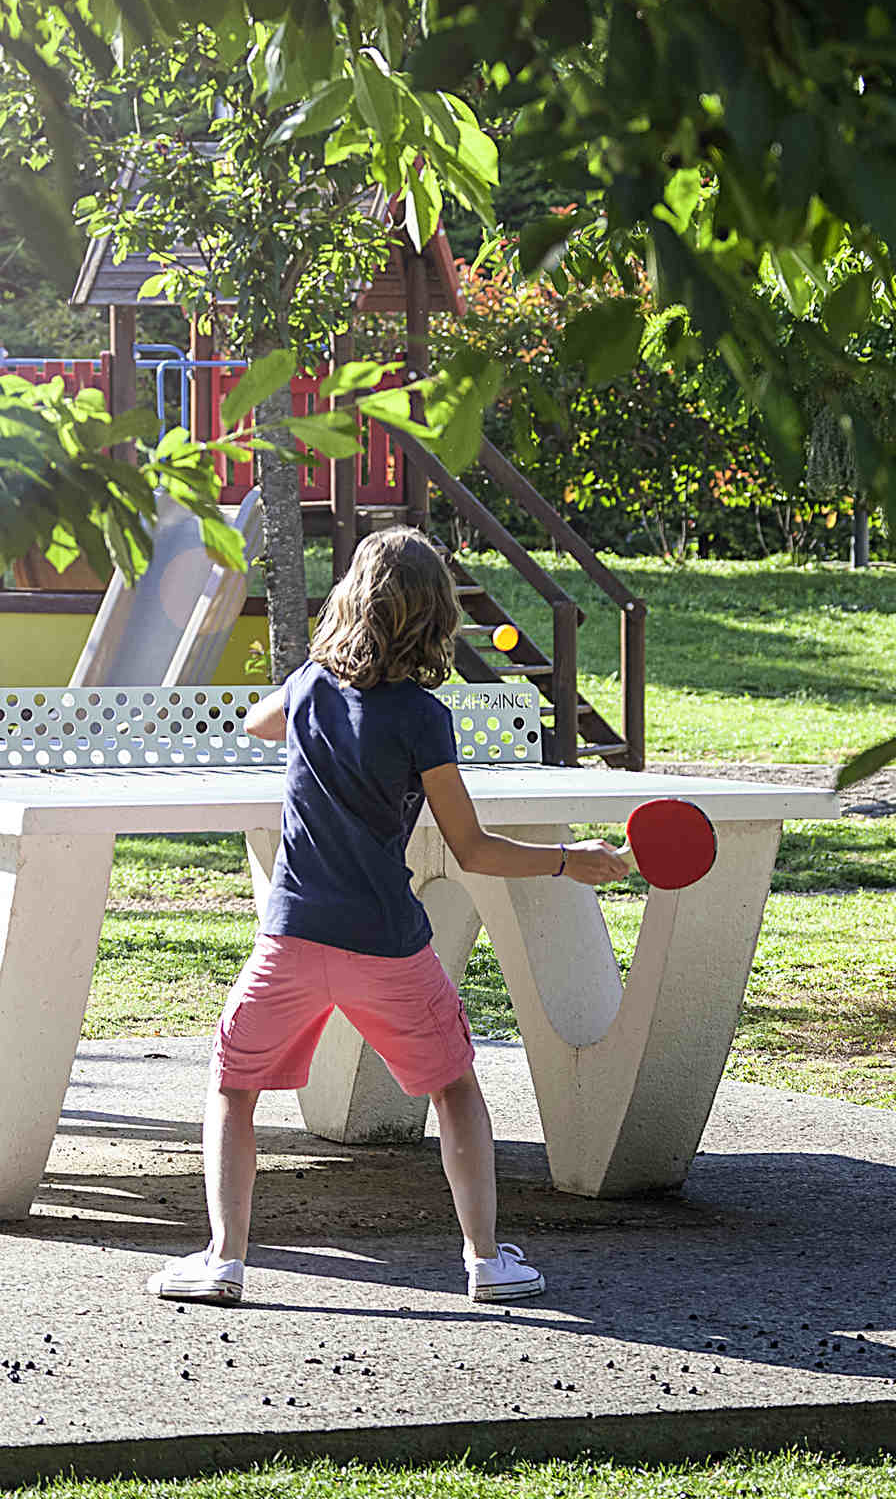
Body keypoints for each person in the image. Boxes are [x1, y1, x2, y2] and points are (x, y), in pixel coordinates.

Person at [144, 527, 626, 1307]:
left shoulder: (307, 688)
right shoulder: (423, 718)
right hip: (389, 949)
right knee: (455, 1090)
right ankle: (485, 1261)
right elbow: (469, 848)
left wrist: (316, 680)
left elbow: (256, 723)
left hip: (293, 940)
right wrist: (572, 861)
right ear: (437, 620)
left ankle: (224, 1260)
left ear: (349, 603)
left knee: (234, 1085)